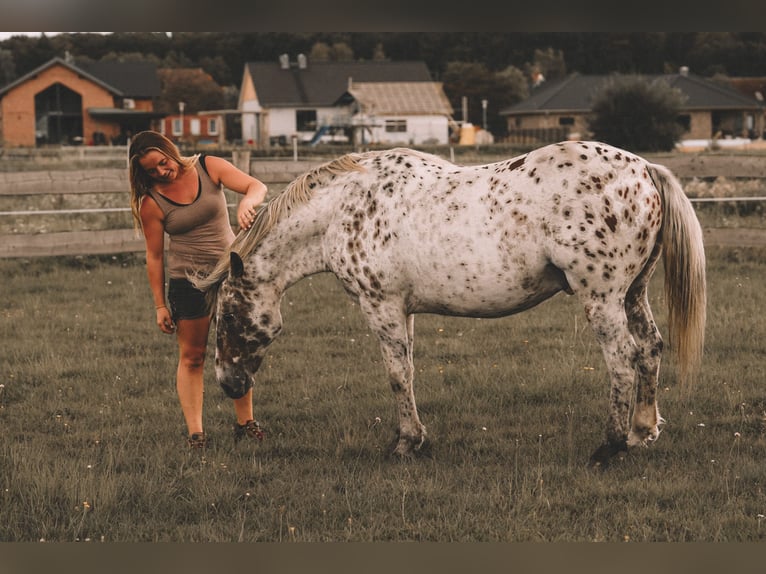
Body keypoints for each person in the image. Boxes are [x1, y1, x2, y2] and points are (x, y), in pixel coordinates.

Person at [128, 130, 267, 449]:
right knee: (192, 357)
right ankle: (196, 434)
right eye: (151, 170)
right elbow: (154, 256)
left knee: (236, 350)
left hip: (230, 276)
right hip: (187, 284)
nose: (162, 172)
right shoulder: (152, 202)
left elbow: (255, 185)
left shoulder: (208, 166)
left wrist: (248, 201)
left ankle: (245, 423)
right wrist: (160, 305)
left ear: (170, 151)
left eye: (163, 163)